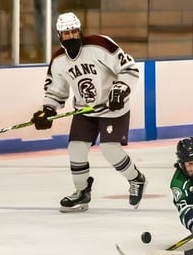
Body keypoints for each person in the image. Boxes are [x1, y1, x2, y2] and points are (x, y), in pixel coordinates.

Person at [30, 12, 146, 212]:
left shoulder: (100, 45)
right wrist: (48, 109)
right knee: (75, 149)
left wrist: (120, 89)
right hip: (85, 110)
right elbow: (56, 90)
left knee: (110, 150)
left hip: (112, 107)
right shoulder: (59, 61)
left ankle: (136, 179)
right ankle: (82, 192)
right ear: (60, 35)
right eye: (67, 33)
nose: (72, 36)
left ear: (80, 31)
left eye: (74, 31)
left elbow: (129, 69)